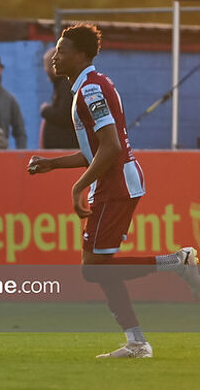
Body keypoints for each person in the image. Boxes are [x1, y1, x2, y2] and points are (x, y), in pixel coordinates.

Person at [27, 24, 199, 359]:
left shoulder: (91, 91)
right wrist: (53, 164)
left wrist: (78, 186)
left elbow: (112, 148)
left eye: (62, 50)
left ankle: (179, 262)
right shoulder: (90, 88)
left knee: (93, 268)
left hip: (115, 185)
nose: (56, 57)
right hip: (114, 183)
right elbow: (96, 151)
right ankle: (137, 343)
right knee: (102, 267)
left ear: (82, 55)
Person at [39, 47, 78, 149]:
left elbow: (63, 115)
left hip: (64, 147)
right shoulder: (62, 85)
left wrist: (45, 110)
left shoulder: (65, 85)